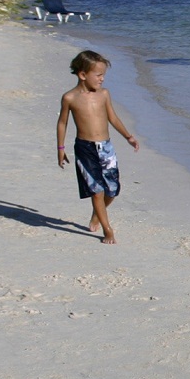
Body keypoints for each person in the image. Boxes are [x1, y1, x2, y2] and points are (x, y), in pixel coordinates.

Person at [57, 49, 140, 244]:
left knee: (113, 190)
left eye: (104, 75)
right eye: (99, 75)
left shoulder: (103, 94)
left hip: (106, 147)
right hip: (85, 148)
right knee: (97, 190)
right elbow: (62, 123)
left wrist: (128, 136)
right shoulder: (70, 98)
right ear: (83, 75)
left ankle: (97, 214)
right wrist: (60, 149)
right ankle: (107, 230)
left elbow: (112, 117)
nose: (102, 79)